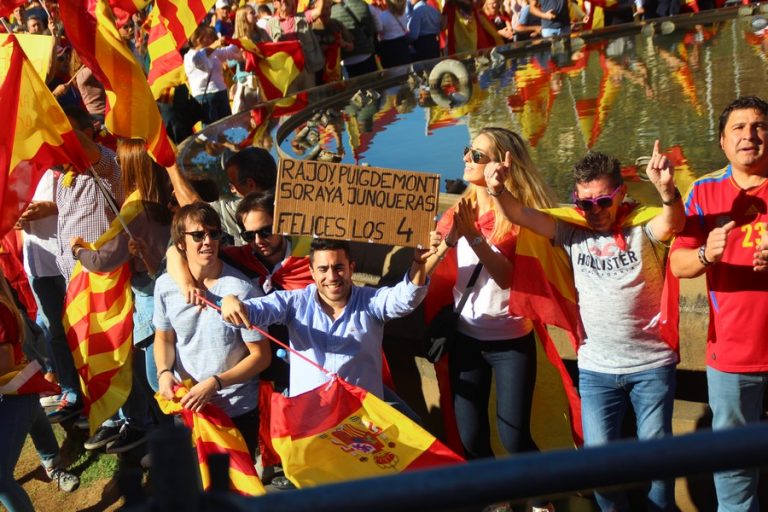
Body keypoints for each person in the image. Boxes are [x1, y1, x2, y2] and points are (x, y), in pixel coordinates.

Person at [485, 144, 685, 511]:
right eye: (585, 203)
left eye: (603, 202)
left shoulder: (644, 227)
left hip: (651, 366)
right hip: (596, 370)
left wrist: (667, 191)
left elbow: (673, 223)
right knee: (595, 467)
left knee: (659, 463)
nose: (594, 211)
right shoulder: (572, 231)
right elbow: (521, 214)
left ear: (621, 194)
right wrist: (497, 188)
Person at [424, 128, 553, 462]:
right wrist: (436, 248)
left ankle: (542, 498)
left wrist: (475, 238)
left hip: (511, 341)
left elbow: (509, 278)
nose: (467, 159)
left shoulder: (516, 216)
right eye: (468, 151)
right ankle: (497, 502)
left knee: (514, 437)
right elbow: (430, 272)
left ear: (502, 165)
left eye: (477, 155)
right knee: (471, 437)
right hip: (466, 338)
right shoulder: (457, 212)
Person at [669, 95, 768, 512]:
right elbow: (677, 264)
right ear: (723, 143)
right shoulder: (705, 191)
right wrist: (708, 254)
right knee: (733, 471)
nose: (750, 135)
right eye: (739, 129)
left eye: (760, 126)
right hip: (731, 357)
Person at [220, 235, 438, 401]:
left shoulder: (371, 302)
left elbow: (406, 299)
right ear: (312, 272)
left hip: (362, 426)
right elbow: (255, 311)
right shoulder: (294, 303)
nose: (332, 277)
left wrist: (418, 263)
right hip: (311, 423)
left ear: (351, 268)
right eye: (323, 269)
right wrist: (231, 302)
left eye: (339, 267)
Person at [70, 139, 173, 453]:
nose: (117, 168)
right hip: (172, 291)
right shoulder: (167, 198)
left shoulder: (135, 208)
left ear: (131, 168)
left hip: (150, 301)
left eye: (122, 164)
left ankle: (172, 446)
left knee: (158, 382)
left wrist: (79, 251)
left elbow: (104, 260)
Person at [154, 203, 272, 459]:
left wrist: (216, 383)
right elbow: (163, 337)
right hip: (188, 408)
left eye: (214, 234)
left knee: (234, 493)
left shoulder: (242, 290)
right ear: (180, 243)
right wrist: (164, 372)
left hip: (236, 410)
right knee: (194, 489)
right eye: (198, 235)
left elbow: (261, 356)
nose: (208, 241)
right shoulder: (165, 285)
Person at [0, 271, 79, 512]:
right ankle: (53, 463)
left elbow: (4, 361)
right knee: (35, 416)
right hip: (15, 392)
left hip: (15, 391)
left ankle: (54, 466)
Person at [184, 25, 242, 125]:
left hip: (221, 93)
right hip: (205, 98)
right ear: (198, 39)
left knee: (228, 128)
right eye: (208, 36)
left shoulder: (213, 52)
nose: (212, 39)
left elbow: (229, 52)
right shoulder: (190, 56)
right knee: (211, 133)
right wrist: (214, 46)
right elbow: (199, 61)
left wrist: (239, 41)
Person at [265, 0, 326, 89]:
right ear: (275, 4)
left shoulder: (302, 17)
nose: (284, 1)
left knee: (310, 98)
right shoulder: (270, 24)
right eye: (280, 0)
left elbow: (319, 11)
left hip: (306, 68)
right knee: (294, 100)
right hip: (286, 71)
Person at [330, 0, 379, 78]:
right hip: (366, 54)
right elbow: (378, 27)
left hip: (346, 60)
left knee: (354, 89)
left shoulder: (331, 11)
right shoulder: (364, 5)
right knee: (373, 86)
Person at [372, 0, 412, 69]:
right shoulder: (403, 14)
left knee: (393, 71)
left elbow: (379, 29)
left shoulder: (382, 16)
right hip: (403, 44)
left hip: (389, 47)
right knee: (405, 69)